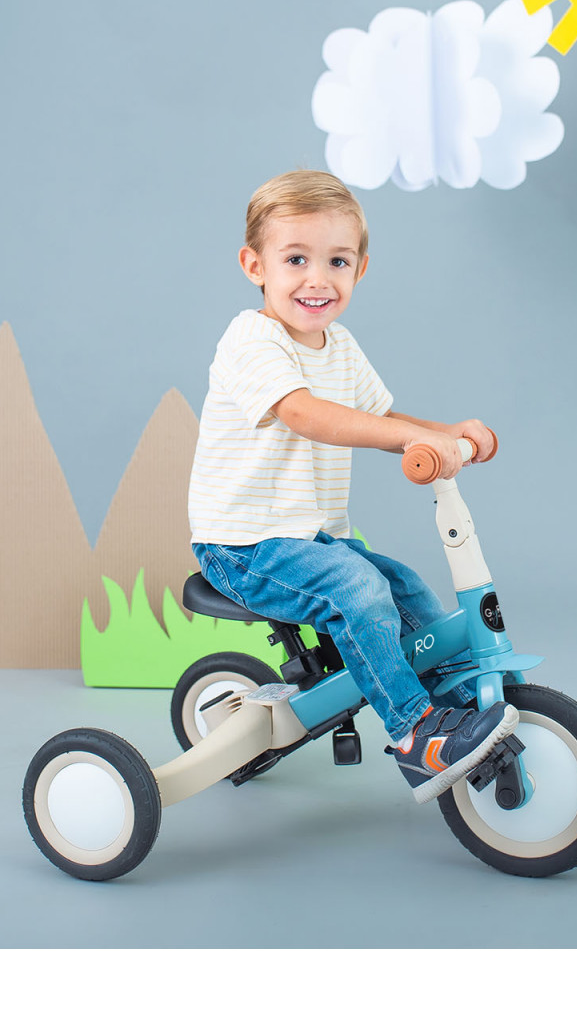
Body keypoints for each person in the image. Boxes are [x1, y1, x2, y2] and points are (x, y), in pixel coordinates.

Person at [187, 169, 518, 803]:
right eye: (295, 259)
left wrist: (444, 432)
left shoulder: (339, 345)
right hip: (244, 545)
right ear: (255, 266)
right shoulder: (251, 340)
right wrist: (411, 440)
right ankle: (415, 732)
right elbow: (305, 413)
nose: (317, 279)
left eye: (337, 261)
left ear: (360, 269)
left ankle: (457, 706)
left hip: (309, 539)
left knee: (406, 588)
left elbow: (382, 416)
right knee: (358, 591)